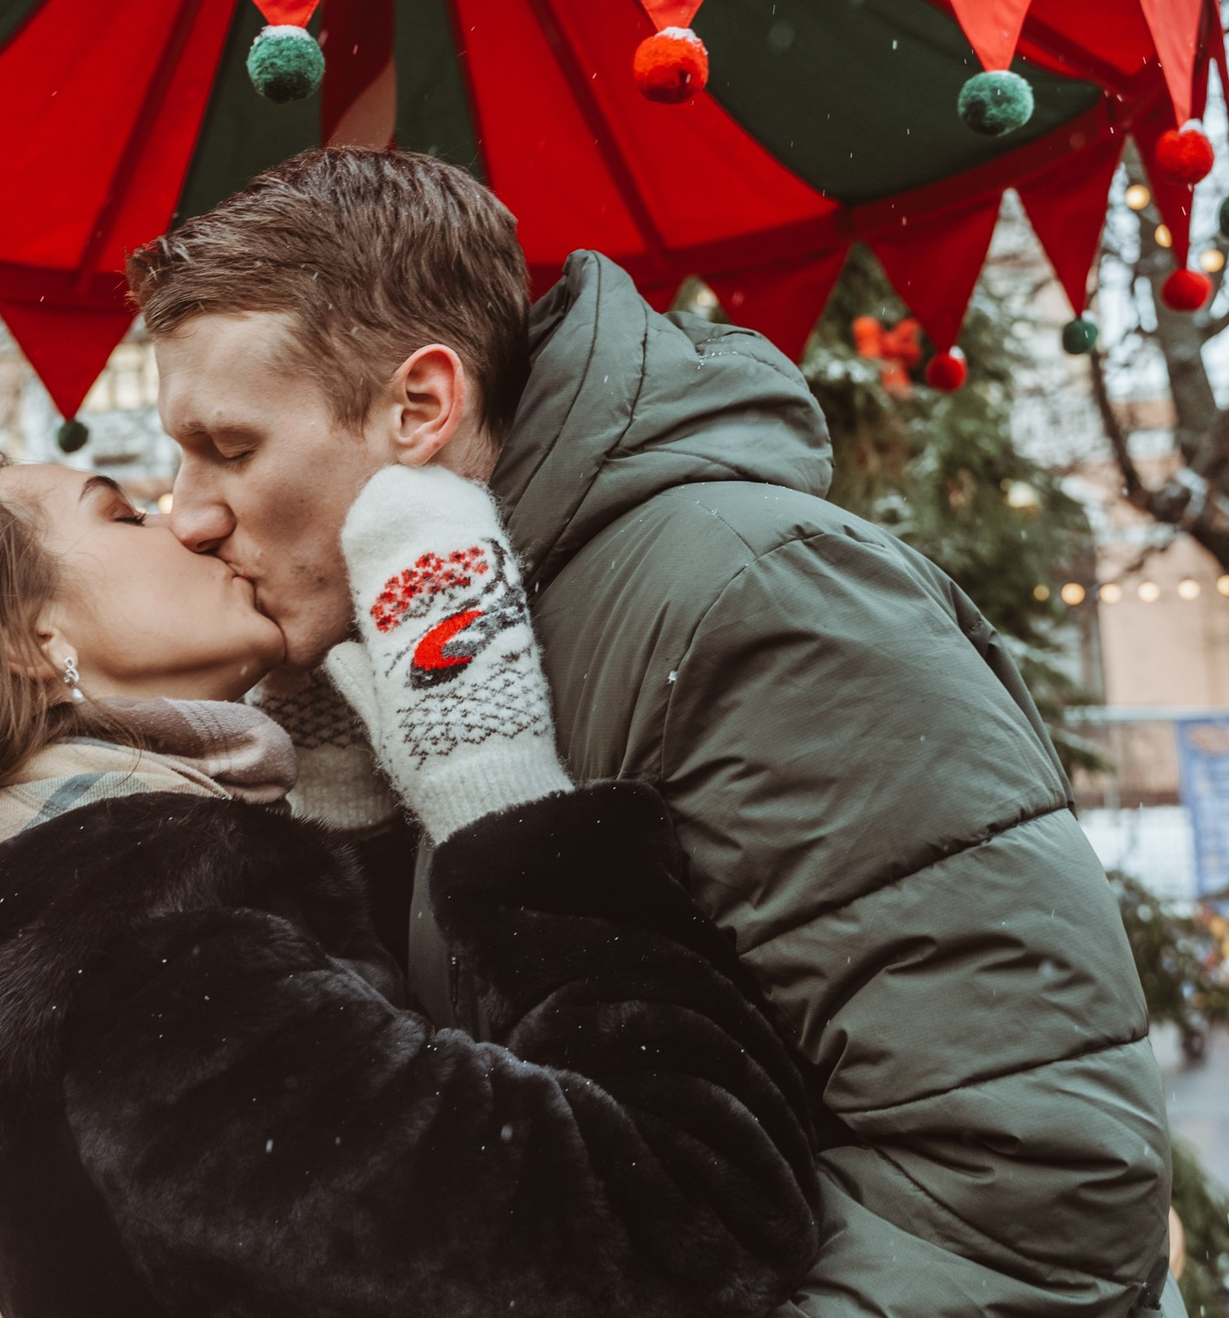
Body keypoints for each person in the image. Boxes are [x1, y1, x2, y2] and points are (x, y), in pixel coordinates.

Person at [127, 148, 1171, 1315]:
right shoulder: (408, 642)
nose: (188, 514)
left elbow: (1029, 1193)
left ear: (420, 405)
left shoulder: (760, 593)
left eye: (228, 448)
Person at [0, 455, 822, 1318]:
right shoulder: (159, 959)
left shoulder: (11, 895)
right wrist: (494, 781)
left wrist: (342, 816)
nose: (187, 518)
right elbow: (696, 1216)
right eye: (120, 512)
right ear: (33, 643)